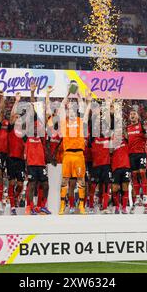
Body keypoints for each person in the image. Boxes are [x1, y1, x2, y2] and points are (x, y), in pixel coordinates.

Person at [58, 85, 92, 215]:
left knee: (81, 180)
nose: (71, 111)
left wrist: (79, 96)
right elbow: (61, 107)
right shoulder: (63, 122)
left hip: (79, 154)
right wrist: (67, 94)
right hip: (67, 155)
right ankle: (62, 206)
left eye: (73, 110)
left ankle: (81, 206)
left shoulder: (80, 121)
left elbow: (86, 110)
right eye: (69, 110)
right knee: (65, 180)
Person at [127, 108, 147, 214]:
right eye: (131, 114)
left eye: (134, 114)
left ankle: (145, 197)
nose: (132, 115)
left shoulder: (142, 126)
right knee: (135, 175)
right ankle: (137, 197)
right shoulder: (127, 128)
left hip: (141, 153)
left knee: (142, 173)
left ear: (137, 116)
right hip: (132, 155)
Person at [7, 93, 26, 215]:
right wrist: (16, 101)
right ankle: (13, 206)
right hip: (11, 159)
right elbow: (12, 115)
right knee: (12, 182)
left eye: (19, 117)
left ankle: (15, 197)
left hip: (20, 160)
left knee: (20, 184)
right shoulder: (11, 128)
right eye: (16, 117)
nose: (17, 118)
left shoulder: (23, 132)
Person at [110, 133, 131, 214]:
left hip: (126, 165)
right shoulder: (112, 138)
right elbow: (110, 151)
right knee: (114, 188)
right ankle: (117, 207)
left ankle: (124, 208)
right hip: (115, 166)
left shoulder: (125, 137)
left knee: (125, 187)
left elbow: (130, 139)